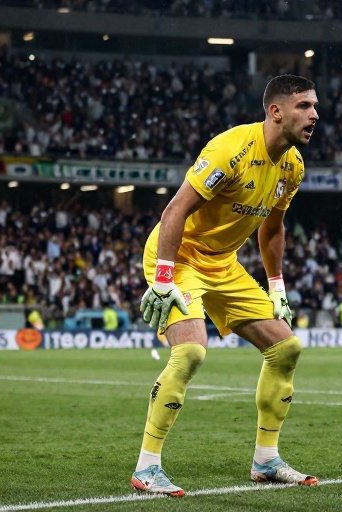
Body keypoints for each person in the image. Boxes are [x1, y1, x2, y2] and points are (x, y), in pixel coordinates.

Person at [132, 74, 320, 496]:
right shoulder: (230, 150)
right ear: (276, 111)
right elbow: (174, 211)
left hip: (222, 264)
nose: (314, 115)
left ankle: (266, 460)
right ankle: (147, 468)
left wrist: (277, 287)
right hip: (179, 257)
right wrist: (163, 278)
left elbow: (273, 228)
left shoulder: (293, 165)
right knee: (191, 351)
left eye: (315, 107)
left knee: (286, 348)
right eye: (304, 106)